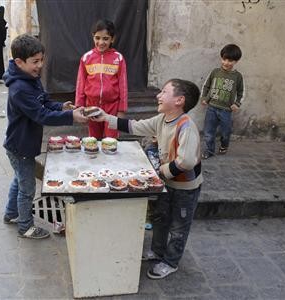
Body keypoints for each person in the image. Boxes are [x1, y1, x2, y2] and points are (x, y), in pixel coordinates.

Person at [93, 79, 203, 279]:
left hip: (185, 187)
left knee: (179, 226)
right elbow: (135, 126)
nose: (158, 95)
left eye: (164, 92)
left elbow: (186, 161)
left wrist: (159, 172)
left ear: (179, 100)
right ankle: (157, 251)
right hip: (166, 183)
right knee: (160, 219)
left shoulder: (186, 126)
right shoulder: (162, 119)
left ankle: (171, 262)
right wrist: (105, 117)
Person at [2, 34, 88, 239]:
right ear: (19, 62)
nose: (40, 65)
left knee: (20, 179)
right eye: (35, 62)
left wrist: (61, 106)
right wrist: (71, 116)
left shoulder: (30, 78)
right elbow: (41, 114)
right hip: (20, 146)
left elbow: (44, 101)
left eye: (41, 60)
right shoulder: (19, 89)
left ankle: (11, 213)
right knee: (27, 189)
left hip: (23, 144)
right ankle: (25, 226)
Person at [75, 19, 128, 139]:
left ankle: (111, 158)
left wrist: (122, 110)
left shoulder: (118, 58)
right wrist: (79, 106)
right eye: (97, 38)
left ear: (112, 39)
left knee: (111, 140)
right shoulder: (86, 58)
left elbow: (123, 86)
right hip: (91, 106)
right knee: (93, 139)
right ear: (93, 37)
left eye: (106, 38)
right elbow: (80, 84)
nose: (101, 42)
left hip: (112, 107)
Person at [201, 44, 244, 159]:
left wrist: (237, 103)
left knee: (225, 132)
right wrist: (204, 98)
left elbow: (241, 92)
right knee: (209, 131)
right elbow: (206, 85)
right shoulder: (215, 72)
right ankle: (209, 150)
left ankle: (224, 145)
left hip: (226, 110)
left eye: (230, 60)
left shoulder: (237, 76)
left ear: (236, 61)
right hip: (212, 107)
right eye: (224, 59)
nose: (226, 63)